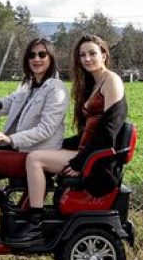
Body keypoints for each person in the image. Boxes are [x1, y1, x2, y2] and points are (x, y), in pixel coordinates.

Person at [8, 34, 128, 245]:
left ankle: (34, 222)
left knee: (35, 159)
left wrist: (80, 162)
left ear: (104, 55)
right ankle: (20, 212)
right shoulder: (93, 82)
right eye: (82, 55)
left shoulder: (112, 81)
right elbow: (86, 134)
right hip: (87, 150)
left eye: (92, 53)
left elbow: (109, 130)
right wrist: (61, 145)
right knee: (40, 151)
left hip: (99, 160)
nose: (87, 59)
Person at [0, 38, 68, 241]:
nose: (36, 59)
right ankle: (7, 211)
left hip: (35, 155)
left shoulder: (56, 89)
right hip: (18, 151)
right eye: (31, 55)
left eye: (42, 54)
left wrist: (10, 139)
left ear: (51, 58)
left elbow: (46, 129)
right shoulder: (27, 86)